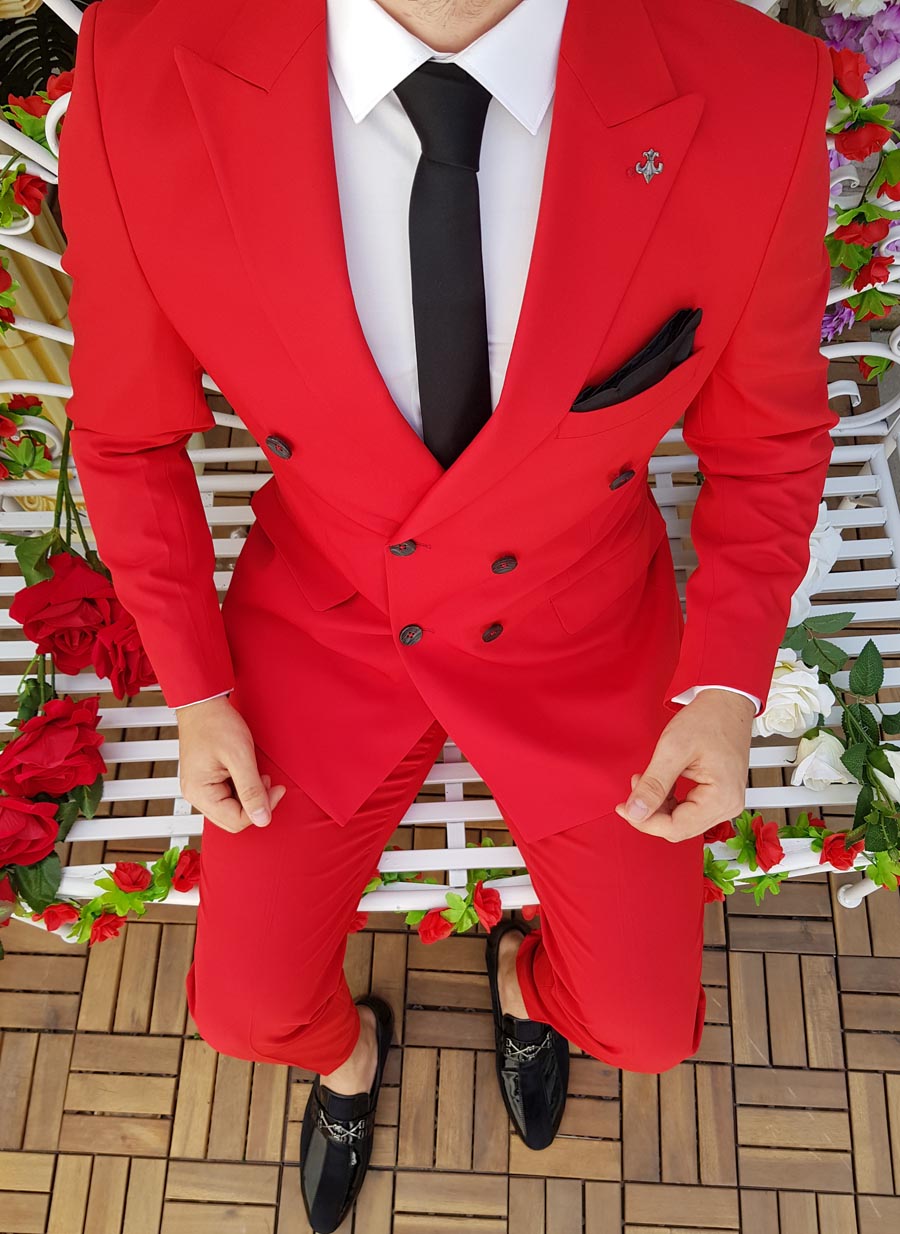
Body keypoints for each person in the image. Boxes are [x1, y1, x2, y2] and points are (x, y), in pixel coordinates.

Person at [57, 0, 838, 1228]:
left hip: (575, 621)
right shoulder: (139, 73)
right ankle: (349, 1053)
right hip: (326, 613)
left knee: (643, 1028)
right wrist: (198, 689)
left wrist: (727, 682)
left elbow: (770, 443)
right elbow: (124, 435)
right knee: (246, 1011)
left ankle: (526, 982)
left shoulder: (758, 95)